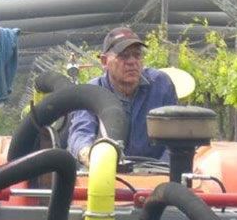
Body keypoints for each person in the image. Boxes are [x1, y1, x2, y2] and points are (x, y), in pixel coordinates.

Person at [67, 27, 177, 164]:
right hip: (106, 170)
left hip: (154, 171)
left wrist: (164, 169)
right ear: (104, 61)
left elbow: (174, 137)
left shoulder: (161, 85)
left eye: (137, 55)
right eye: (124, 56)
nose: (132, 62)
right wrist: (88, 154)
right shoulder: (92, 92)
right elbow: (81, 133)